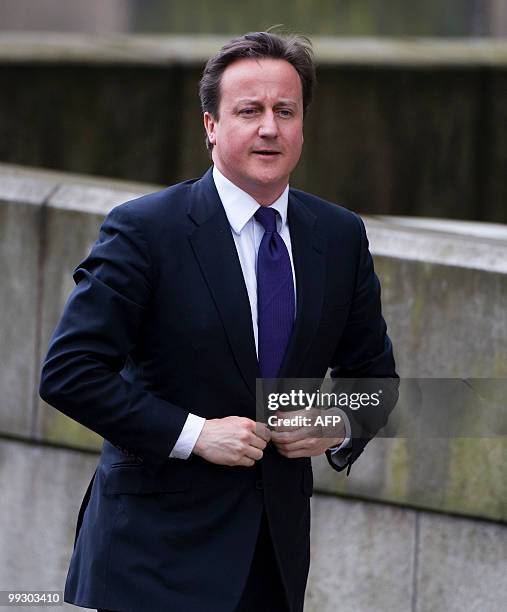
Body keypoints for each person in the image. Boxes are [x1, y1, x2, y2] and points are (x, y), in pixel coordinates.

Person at [39, 31, 397, 612]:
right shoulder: (145, 230)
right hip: (149, 560)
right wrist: (195, 434)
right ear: (211, 125)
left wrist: (339, 423)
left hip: (272, 562)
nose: (269, 128)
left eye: (286, 111)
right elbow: (69, 372)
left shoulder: (339, 235)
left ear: (303, 124)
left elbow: (376, 381)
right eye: (248, 111)